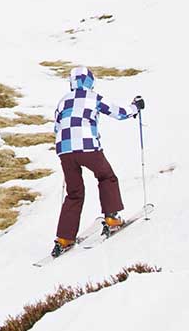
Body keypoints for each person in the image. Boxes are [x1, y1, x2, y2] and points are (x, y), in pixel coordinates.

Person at [51, 66, 144, 257]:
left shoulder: (63, 101)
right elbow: (118, 112)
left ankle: (64, 238)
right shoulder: (93, 97)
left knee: (74, 192)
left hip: (65, 150)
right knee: (106, 176)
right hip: (87, 146)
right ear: (90, 81)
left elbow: (57, 126)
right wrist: (136, 107)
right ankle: (111, 218)